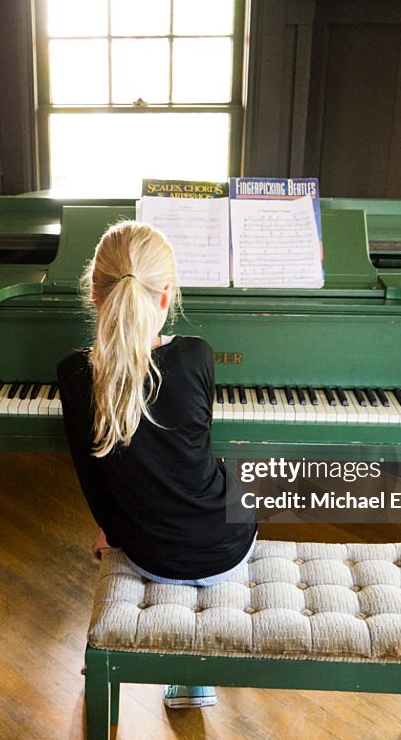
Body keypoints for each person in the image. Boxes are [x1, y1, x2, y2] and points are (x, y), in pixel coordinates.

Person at [56, 220, 257, 709]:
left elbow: (93, 481)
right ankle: (193, 675)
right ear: (167, 297)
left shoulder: (74, 375)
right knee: (228, 470)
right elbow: (191, 452)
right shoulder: (198, 356)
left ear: (95, 295)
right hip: (228, 545)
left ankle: (145, 657)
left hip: (151, 557)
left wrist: (114, 532)